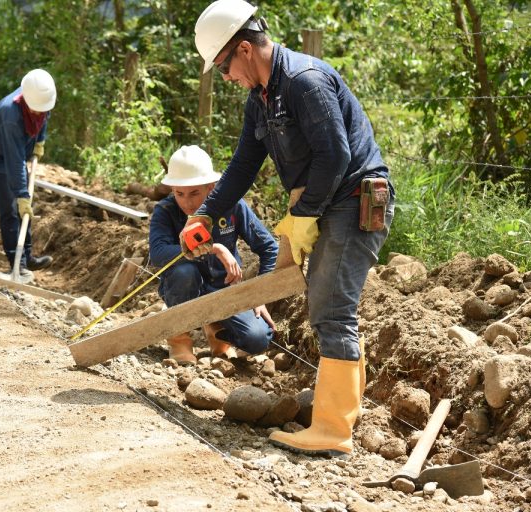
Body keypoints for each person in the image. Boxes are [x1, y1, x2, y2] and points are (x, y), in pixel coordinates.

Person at [188, 0, 395, 457]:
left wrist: (304, 216)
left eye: (223, 66)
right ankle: (337, 417)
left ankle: (334, 430)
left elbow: (336, 156)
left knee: (332, 310)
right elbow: (244, 164)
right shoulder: (260, 98)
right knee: (328, 307)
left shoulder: (304, 82)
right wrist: (204, 212)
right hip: (323, 203)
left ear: (243, 49)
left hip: (355, 200)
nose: (225, 77)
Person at [150, 145, 278, 365]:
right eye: (179, 194)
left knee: (258, 339)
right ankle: (179, 340)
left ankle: (217, 332)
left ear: (211, 186)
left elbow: (269, 248)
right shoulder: (165, 210)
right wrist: (215, 247)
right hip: (185, 287)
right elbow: (157, 253)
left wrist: (260, 296)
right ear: (171, 189)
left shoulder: (233, 206)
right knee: (184, 272)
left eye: (195, 193)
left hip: (224, 289)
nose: (187, 202)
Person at [0, 69, 56, 283]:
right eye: (37, 110)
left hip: (16, 153)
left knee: (26, 204)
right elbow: (15, 161)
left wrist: (40, 140)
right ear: (27, 101)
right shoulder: (11, 115)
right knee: (12, 208)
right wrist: (20, 193)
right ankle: (16, 264)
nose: (41, 112)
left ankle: (26, 256)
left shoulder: (41, 97)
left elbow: (44, 116)